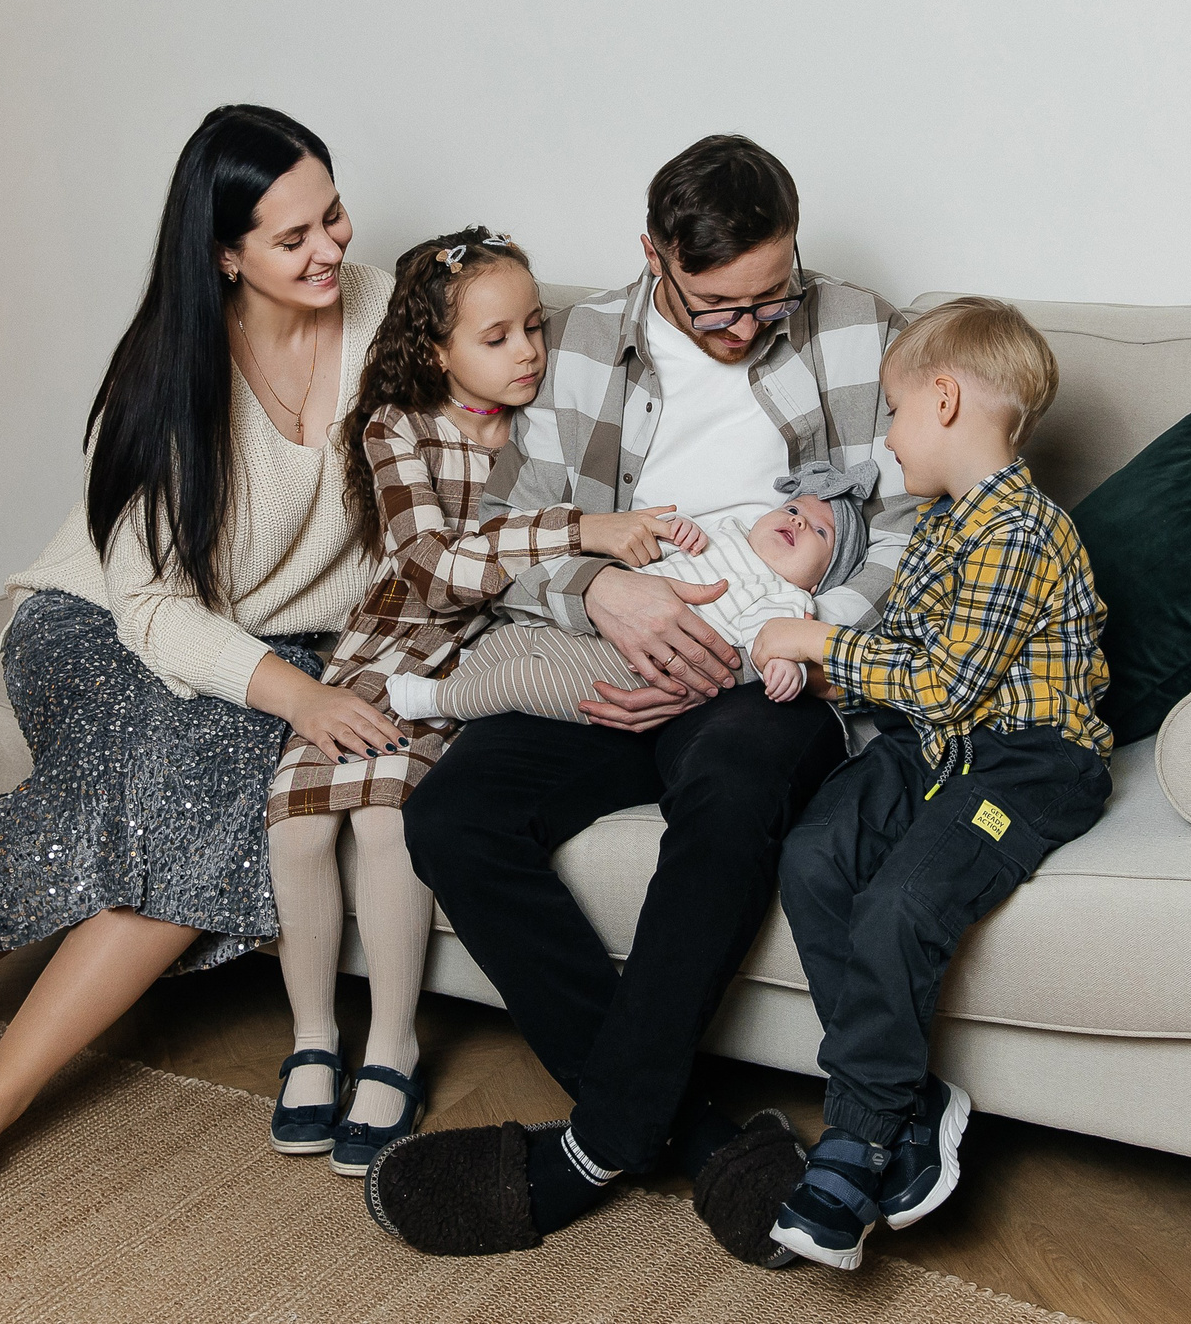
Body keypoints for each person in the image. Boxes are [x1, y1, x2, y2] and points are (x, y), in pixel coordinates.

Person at [0, 105, 408, 1242]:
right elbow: (149, 607)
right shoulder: (163, 380)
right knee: (166, 768)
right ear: (225, 255)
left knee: (202, 782)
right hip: (100, 621)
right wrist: (296, 693)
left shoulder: (389, 315)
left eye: (334, 215)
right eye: (292, 237)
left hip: (273, 647)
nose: (330, 249)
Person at [368, 134, 922, 1266]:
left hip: (770, 668)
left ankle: (594, 1149)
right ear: (653, 256)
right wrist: (599, 590)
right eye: (717, 306)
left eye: (772, 296)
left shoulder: (861, 330)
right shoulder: (579, 344)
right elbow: (508, 534)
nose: (748, 326)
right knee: (453, 817)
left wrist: (783, 639)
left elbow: (916, 528)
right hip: (608, 659)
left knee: (733, 786)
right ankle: (699, 1140)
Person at [266, 228, 676, 1178]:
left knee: (387, 819)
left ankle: (392, 1045)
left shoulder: (552, 416)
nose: (528, 351)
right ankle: (313, 1036)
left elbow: (514, 589)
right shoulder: (396, 427)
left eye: (535, 326)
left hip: (488, 653)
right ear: (437, 350)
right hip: (390, 638)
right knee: (297, 820)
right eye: (497, 337)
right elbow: (430, 564)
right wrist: (581, 528)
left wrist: (585, 537)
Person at [752, 296, 1111, 1271]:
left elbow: (948, 684)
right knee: (815, 855)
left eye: (895, 411)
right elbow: (904, 661)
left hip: (1028, 760)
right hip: (935, 743)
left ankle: (859, 1135)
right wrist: (816, 668)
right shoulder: (944, 528)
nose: (886, 436)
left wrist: (818, 639)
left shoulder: (1021, 531)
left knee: (902, 901)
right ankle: (911, 1105)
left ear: (944, 399)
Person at [383, 463, 877, 725]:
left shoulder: (789, 598)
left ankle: (441, 699)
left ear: (821, 579)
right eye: (793, 510)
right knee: (512, 641)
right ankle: (468, 678)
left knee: (527, 679)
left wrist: (787, 669)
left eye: (820, 532)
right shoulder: (728, 532)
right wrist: (679, 531)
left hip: (637, 669)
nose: (798, 522)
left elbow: (770, 642)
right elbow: (662, 547)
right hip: (604, 624)